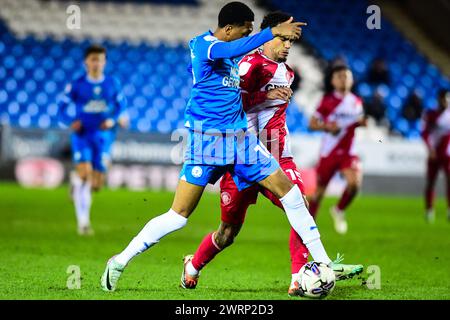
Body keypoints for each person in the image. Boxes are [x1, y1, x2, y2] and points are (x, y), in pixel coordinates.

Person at [100, 1, 362, 293]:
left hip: (240, 142)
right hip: (205, 142)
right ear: (228, 29)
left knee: (293, 195)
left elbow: (238, 66)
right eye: (244, 32)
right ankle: (120, 260)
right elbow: (230, 51)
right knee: (178, 216)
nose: (246, 38)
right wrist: (270, 31)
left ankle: (324, 265)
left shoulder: (237, 57)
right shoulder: (204, 46)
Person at [180, 11, 363, 297]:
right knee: (227, 233)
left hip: (277, 155)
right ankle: (193, 266)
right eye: (282, 39)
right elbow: (232, 105)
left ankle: (300, 277)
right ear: (266, 38)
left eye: (290, 41)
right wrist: (266, 96)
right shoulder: (249, 66)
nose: (288, 46)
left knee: (298, 204)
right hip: (242, 157)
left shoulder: (288, 72)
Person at [58, 45, 127, 235]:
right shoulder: (77, 84)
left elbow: (122, 106)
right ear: (86, 62)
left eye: (100, 60)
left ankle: (74, 180)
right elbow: (61, 109)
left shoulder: (112, 83)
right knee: (86, 174)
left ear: (104, 62)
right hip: (82, 136)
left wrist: (113, 120)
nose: (96, 63)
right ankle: (83, 223)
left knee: (96, 185)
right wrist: (71, 122)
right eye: (93, 60)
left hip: (103, 137)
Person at [308, 65, 367, 234]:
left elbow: (357, 121)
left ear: (352, 80)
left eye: (346, 76)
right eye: (340, 76)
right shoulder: (327, 101)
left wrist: (362, 123)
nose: (343, 79)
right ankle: (308, 226)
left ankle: (339, 209)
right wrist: (327, 127)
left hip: (349, 151)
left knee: (354, 184)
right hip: (329, 152)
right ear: (333, 81)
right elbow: (312, 124)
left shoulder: (357, 102)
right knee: (319, 193)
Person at [421, 89, 450, 223]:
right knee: (431, 182)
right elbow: (425, 133)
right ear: (438, 99)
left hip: (448, 155)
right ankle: (429, 210)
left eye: (447, 98)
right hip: (434, 154)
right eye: (443, 98)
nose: (445, 101)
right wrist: (430, 148)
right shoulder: (431, 114)